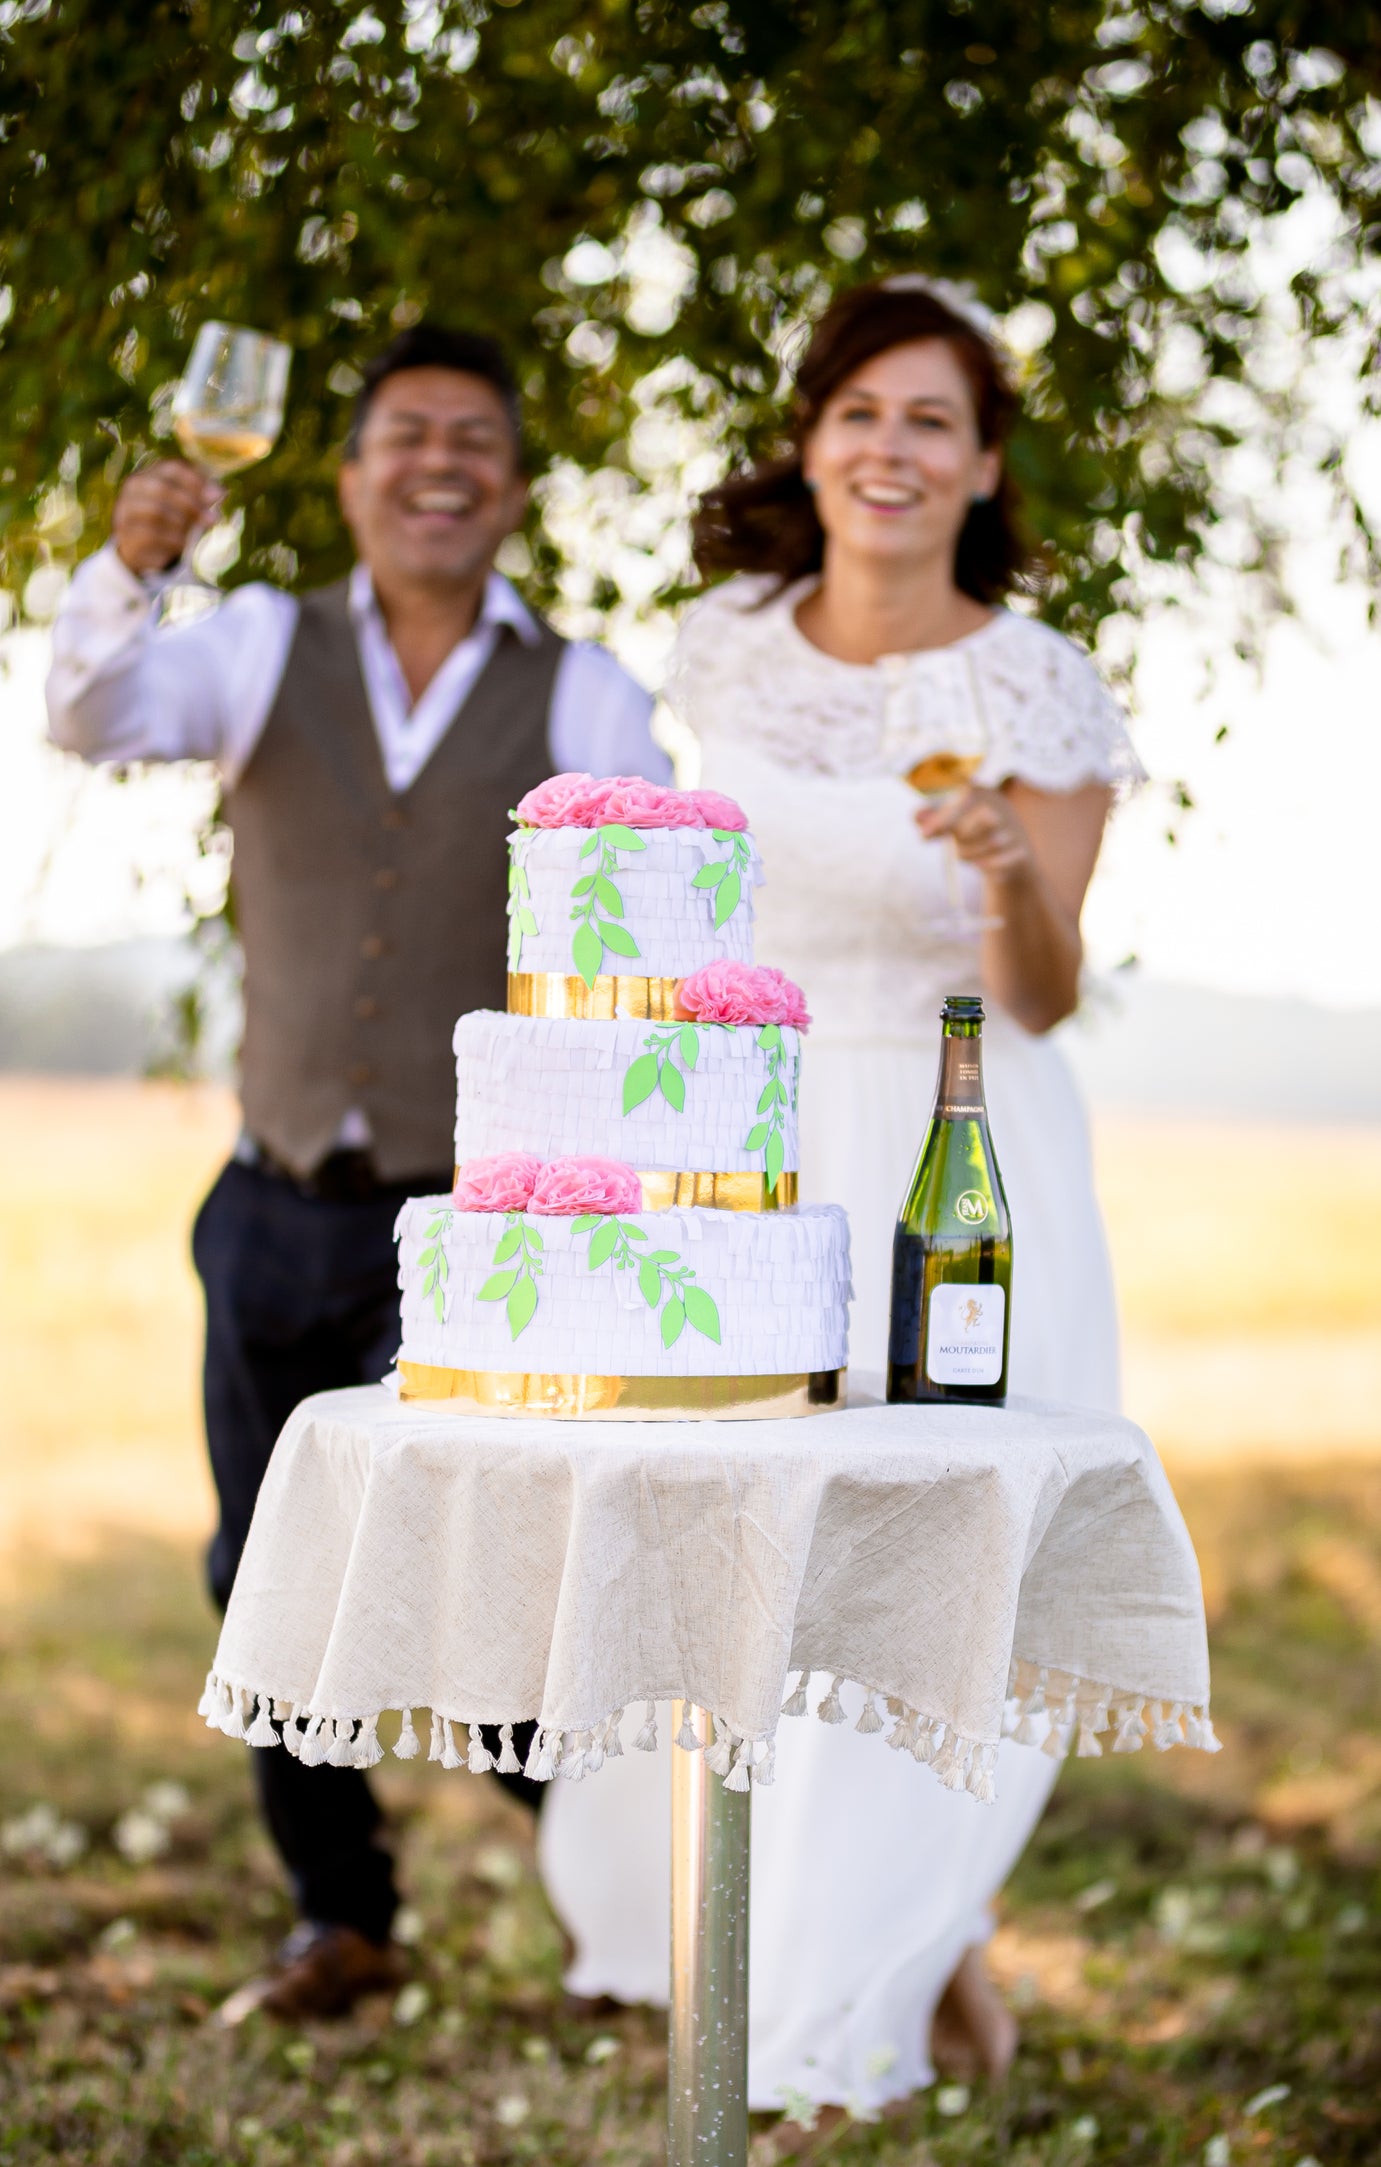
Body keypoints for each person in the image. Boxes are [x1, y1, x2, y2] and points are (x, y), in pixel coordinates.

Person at [537, 278, 1143, 2122]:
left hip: (962, 1142)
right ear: (812, 438)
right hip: (748, 1141)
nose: (890, 447)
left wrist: (992, 879)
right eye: (860, 411)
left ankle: (841, 1990)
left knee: (922, 1554)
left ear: (981, 465)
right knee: (742, 1546)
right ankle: (818, 1942)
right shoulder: (722, 649)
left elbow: (1042, 988)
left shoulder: (1034, 682)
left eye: (932, 420)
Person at [46, 324, 669, 2022]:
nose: (439, 463)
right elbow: (92, 713)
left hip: (485, 1224)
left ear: (519, 488)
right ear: (346, 475)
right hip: (271, 1198)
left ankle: (641, 1902)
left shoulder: (592, 692)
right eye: (405, 434)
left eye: (475, 437)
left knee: (496, 1596)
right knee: (261, 1572)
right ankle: (344, 1921)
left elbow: (657, 946)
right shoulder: (251, 644)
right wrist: (130, 567)